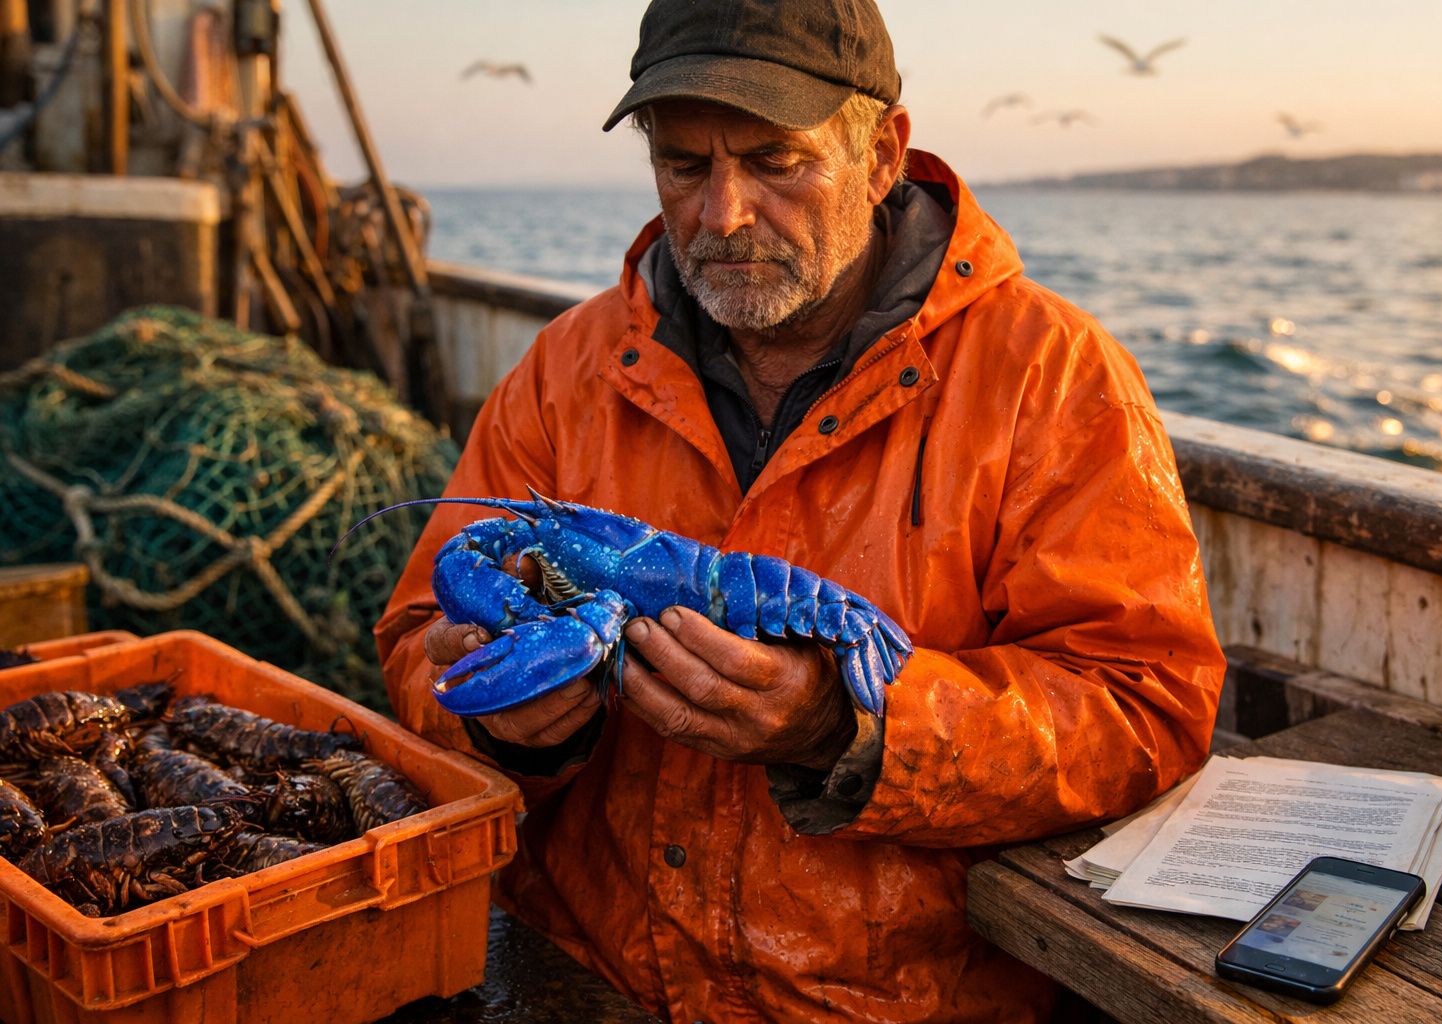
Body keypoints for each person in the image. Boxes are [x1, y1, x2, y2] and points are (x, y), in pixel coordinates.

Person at [375, 1, 1226, 1020]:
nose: (723, 213)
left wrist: (852, 727)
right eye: (685, 165)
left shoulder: (1054, 377)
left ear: (880, 156)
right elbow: (419, 636)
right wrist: (513, 731)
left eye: (777, 161)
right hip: (586, 975)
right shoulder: (565, 369)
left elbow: (1145, 702)